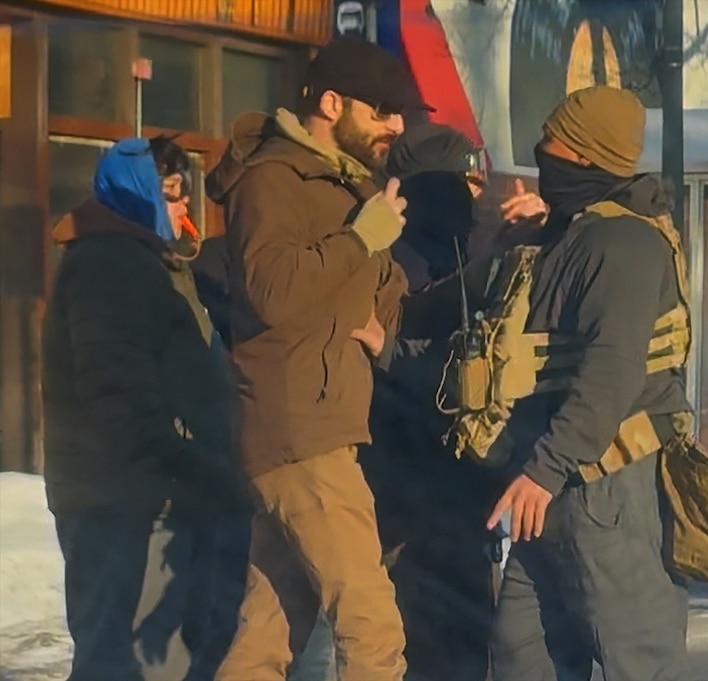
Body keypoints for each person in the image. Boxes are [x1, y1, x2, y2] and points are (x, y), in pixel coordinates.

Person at [204, 38, 420, 681]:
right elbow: (271, 289)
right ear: (331, 102)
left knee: (268, 631)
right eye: (383, 109)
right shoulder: (274, 177)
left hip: (317, 426)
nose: (398, 125)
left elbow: (367, 305)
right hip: (302, 432)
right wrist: (361, 237)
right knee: (372, 625)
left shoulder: (343, 183)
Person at [481, 85, 695, 680]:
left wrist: (544, 471)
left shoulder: (623, 242)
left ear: (579, 155)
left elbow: (613, 370)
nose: (537, 151)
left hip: (606, 487)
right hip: (543, 488)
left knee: (639, 657)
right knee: (524, 654)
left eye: (549, 140)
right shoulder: (563, 236)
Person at [42, 136, 250, 680]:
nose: (182, 208)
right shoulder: (108, 263)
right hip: (122, 498)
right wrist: (180, 460)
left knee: (154, 655)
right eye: (171, 193)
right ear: (138, 192)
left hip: (149, 492)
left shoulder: (145, 260)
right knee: (123, 660)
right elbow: (116, 387)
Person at [355, 122, 547, 681]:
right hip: (408, 483)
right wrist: (491, 260)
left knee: (461, 638)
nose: (474, 197)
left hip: (460, 483)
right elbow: (427, 335)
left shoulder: (458, 251)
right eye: (463, 184)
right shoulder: (394, 258)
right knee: (424, 641)